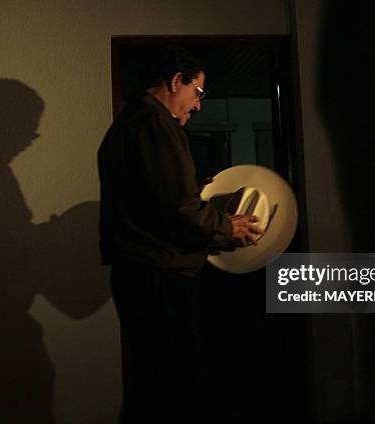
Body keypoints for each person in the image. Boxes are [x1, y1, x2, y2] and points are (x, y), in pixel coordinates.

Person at [97, 46, 262, 423]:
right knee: (176, 387)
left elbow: (157, 196)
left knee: (155, 384)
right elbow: (177, 209)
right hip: (160, 276)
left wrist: (196, 195)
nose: (199, 105)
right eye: (198, 93)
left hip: (143, 272)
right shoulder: (155, 123)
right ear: (176, 81)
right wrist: (226, 226)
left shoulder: (131, 122)